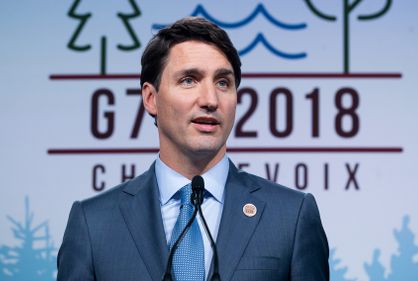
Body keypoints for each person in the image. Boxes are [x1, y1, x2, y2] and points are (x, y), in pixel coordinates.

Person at [57, 17, 329, 281]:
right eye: (189, 80)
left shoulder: (291, 217)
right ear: (151, 99)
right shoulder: (93, 223)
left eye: (223, 82)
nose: (210, 100)